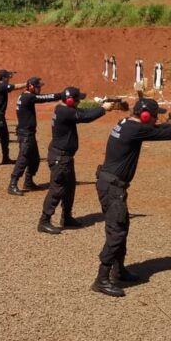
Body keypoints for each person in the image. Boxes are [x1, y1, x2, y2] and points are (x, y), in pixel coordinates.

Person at [91, 99, 171, 296]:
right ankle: (101, 279)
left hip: (111, 185)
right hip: (112, 188)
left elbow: (160, 128)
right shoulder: (135, 130)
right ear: (145, 115)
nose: (155, 119)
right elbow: (164, 133)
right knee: (116, 231)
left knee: (122, 226)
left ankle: (119, 270)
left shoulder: (127, 123)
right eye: (154, 115)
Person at [37, 87, 113, 234]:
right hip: (61, 158)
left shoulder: (63, 108)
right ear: (71, 100)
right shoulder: (66, 112)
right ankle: (44, 220)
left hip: (65, 157)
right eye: (77, 99)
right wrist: (103, 109)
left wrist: (99, 105)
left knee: (70, 187)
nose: (79, 102)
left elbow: (82, 111)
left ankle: (67, 217)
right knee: (57, 189)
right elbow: (85, 117)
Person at [7, 77, 61, 196]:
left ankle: (28, 181)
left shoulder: (24, 96)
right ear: (31, 86)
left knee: (34, 159)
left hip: (28, 133)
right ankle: (12, 184)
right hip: (25, 134)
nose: (39, 88)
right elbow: (45, 98)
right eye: (38, 86)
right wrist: (61, 95)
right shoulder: (28, 97)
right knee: (23, 159)